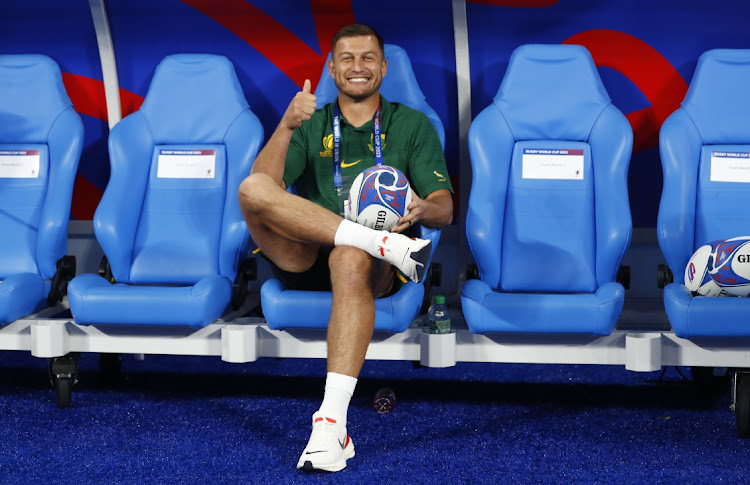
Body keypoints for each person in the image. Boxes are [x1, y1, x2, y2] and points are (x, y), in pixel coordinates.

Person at [238, 24, 453, 472]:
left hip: (366, 265)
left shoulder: (412, 124)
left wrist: (420, 209)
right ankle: (374, 239)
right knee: (251, 188)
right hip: (307, 248)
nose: (358, 67)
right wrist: (285, 124)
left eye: (368, 57)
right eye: (347, 58)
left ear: (383, 67)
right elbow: (267, 186)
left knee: (349, 255)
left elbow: (445, 209)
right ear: (332, 68)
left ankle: (330, 423)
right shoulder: (310, 121)